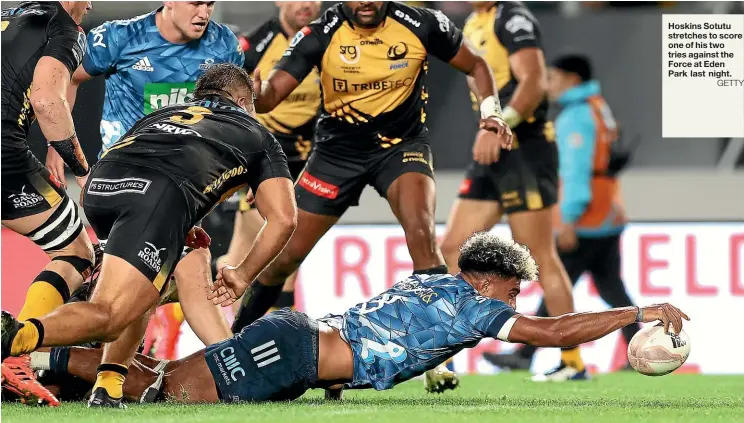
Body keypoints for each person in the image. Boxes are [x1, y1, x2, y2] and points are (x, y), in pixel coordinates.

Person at [10, 232, 690, 405]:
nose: (516, 303)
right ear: (494, 277)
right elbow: (551, 332)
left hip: (297, 339)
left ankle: (40, 367)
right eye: (515, 289)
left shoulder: (430, 283)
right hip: (295, 353)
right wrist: (638, 311)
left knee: (157, 380)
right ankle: (31, 361)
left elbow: (374, 332)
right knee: (162, 395)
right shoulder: (479, 303)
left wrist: (338, 382)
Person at [229, 1, 512, 393]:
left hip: (401, 148)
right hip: (336, 155)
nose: (364, 2)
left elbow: (477, 66)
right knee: (283, 257)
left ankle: (439, 361)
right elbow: (274, 93)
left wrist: (492, 113)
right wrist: (255, 94)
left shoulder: (420, 23)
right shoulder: (321, 32)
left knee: (421, 234)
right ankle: (231, 347)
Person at [1, 63, 298, 409]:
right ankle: (16, 338)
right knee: (110, 316)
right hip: (157, 197)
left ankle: (108, 386)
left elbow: (159, 158)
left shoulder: (168, 112)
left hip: (100, 187)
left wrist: (177, 223)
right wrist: (242, 274)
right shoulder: (256, 132)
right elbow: (285, 219)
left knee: (152, 282)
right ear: (242, 100)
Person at [50, 1, 246, 366]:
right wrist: (57, 144)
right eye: (195, 3)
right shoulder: (120, 37)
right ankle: (52, 358)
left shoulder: (223, 45)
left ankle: (80, 368)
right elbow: (68, 78)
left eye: (210, 4)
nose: (203, 13)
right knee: (153, 282)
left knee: (180, 270)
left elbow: (233, 113)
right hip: (123, 185)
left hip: (181, 187)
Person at [439, 1, 586, 381]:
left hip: (524, 150)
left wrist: (497, 125)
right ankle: (441, 354)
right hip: (493, 149)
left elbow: (534, 82)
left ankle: (572, 363)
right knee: (453, 249)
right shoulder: (474, 22)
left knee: (540, 257)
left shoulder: (513, 18)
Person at [483, 54, 640, 371]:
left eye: (552, 78)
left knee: (556, 284)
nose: (547, 85)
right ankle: (640, 347)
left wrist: (568, 220)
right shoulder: (598, 108)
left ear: (572, 79)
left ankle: (527, 355)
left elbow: (576, 173)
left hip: (585, 219)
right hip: (607, 212)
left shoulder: (575, 117)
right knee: (607, 288)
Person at [0, 0, 96, 404]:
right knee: (77, 252)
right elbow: (47, 102)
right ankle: (14, 356)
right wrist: (82, 169)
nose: (90, 5)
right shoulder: (64, 28)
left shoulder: (12, 14)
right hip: (4, 156)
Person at [216, 1, 323, 320]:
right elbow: (226, 104)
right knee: (285, 250)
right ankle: (277, 340)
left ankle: (212, 318)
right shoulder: (256, 45)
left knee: (238, 258)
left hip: (308, 159)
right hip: (266, 159)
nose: (305, 5)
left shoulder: (326, 40)